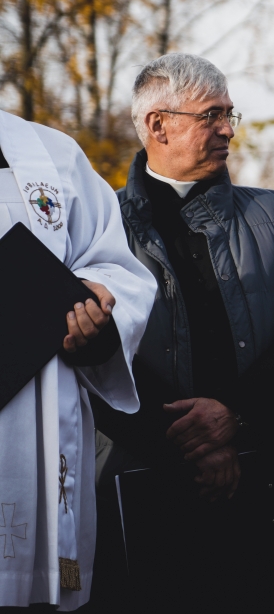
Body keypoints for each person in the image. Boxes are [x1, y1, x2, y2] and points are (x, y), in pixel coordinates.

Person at [88, 54, 274, 613]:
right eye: (211, 116)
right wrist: (190, 444)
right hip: (148, 489)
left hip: (269, 487)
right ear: (158, 126)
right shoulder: (99, 225)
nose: (227, 128)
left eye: (230, 114)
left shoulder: (273, 215)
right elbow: (97, 356)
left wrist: (235, 417)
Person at [0, 111, 156, 611]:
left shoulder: (51, 154)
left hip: (36, 403)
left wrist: (96, 300)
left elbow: (113, 261)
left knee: (41, 588)